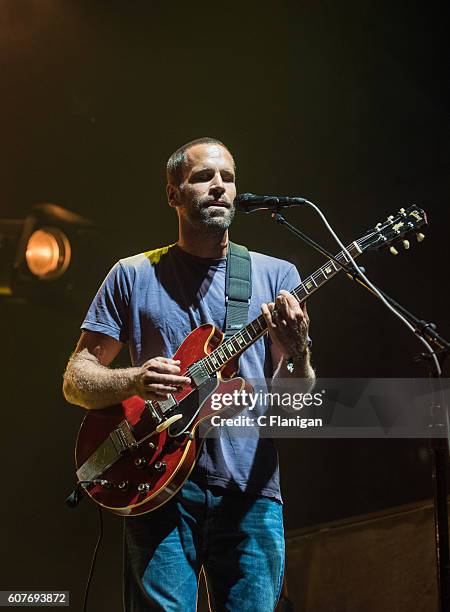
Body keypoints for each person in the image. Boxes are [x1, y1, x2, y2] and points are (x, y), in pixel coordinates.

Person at [63, 137, 315, 611]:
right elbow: (76, 379)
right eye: (203, 176)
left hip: (251, 491)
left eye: (229, 177)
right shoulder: (132, 275)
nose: (219, 186)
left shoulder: (276, 275)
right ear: (173, 194)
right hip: (156, 486)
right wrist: (135, 379)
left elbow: (293, 404)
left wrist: (298, 351)